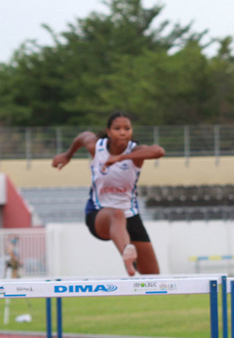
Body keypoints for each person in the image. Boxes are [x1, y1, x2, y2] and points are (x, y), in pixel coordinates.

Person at [52, 111, 164, 276]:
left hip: (130, 215)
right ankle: (127, 251)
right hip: (99, 214)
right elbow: (84, 136)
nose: (123, 132)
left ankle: (129, 253)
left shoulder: (136, 153)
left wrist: (121, 158)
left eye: (127, 128)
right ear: (109, 131)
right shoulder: (96, 147)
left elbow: (158, 151)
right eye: (117, 128)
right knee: (116, 213)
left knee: (152, 275)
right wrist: (68, 155)